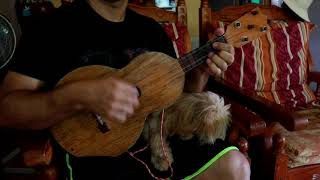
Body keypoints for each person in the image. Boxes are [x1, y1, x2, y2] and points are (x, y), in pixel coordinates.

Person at [0, 0, 250, 179]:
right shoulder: (53, 28)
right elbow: (7, 110)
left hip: (158, 144)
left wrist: (201, 72)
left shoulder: (151, 31)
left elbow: (172, 98)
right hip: (94, 154)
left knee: (235, 164)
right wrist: (77, 96)